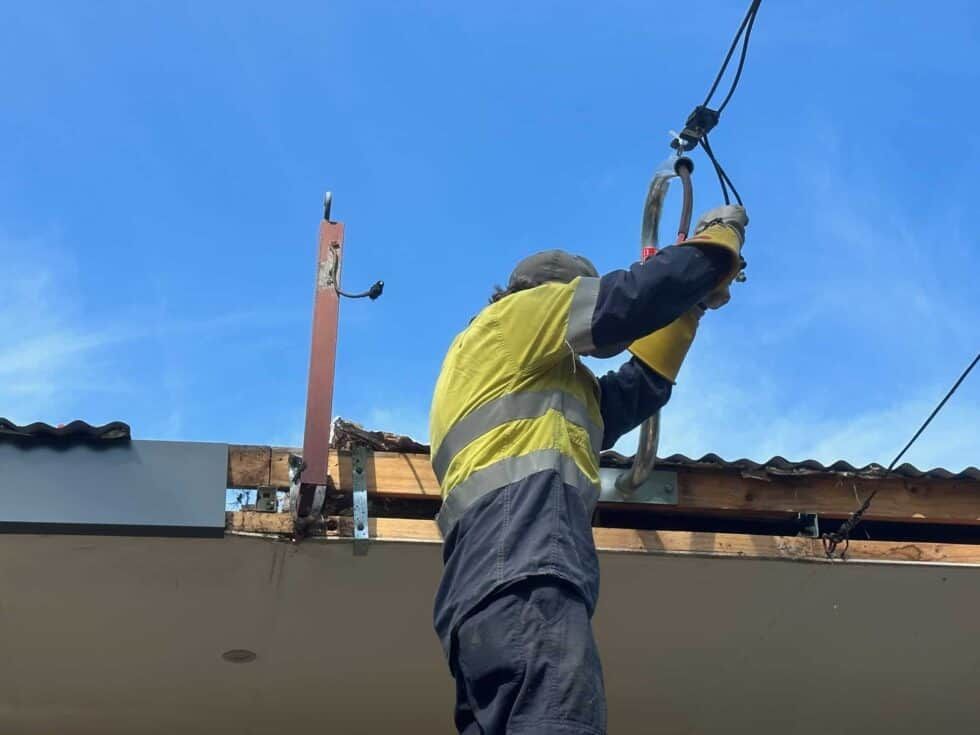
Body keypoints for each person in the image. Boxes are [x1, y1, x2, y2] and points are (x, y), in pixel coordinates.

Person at [429, 205, 748, 734]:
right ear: (548, 297)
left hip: (481, 595)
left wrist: (690, 306)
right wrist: (715, 247)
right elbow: (627, 303)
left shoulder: (524, 381)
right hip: (523, 559)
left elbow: (634, 391)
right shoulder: (510, 323)